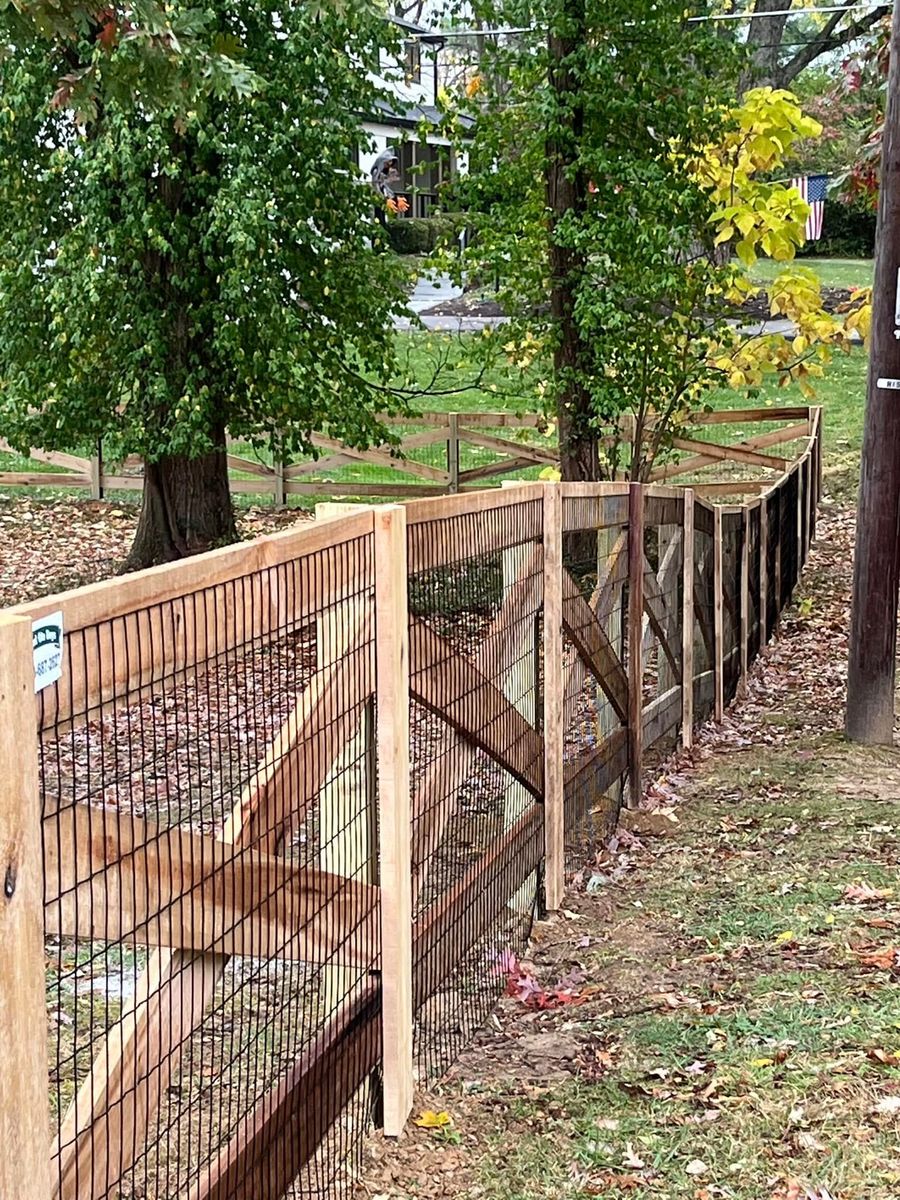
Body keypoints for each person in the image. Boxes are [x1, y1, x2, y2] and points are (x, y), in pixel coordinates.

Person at [370, 146, 409, 223]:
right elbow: (376, 189)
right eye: (387, 164)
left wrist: (395, 199)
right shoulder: (376, 172)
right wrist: (385, 200)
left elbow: (386, 189)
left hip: (382, 204)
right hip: (376, 204)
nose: (389, 167)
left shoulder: (383, 176)